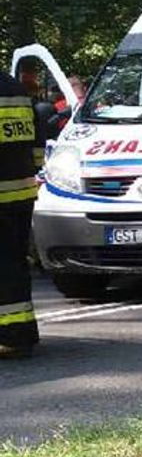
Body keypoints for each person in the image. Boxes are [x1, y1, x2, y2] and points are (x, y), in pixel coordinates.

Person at [0, 71, 41, 357]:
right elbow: (38, 146)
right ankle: (21, 330)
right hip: (21, 192)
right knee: (14, 262)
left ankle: (11, 335)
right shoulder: (16, 88)